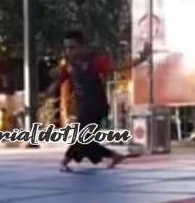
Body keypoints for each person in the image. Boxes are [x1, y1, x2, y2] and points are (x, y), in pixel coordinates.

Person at [44, 30, 151, 172]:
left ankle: (65, 161)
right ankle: (113, 156)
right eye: (67, 48)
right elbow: (60, 79)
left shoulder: (93, 60)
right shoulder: (69, 64)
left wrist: (141, 59)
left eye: (72, 47)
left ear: (82, 46)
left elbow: (118, 67)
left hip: (96, 105)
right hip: (83, 106)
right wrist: (49, 90)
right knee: (85, 139)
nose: (69, 51)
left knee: (81, 135)